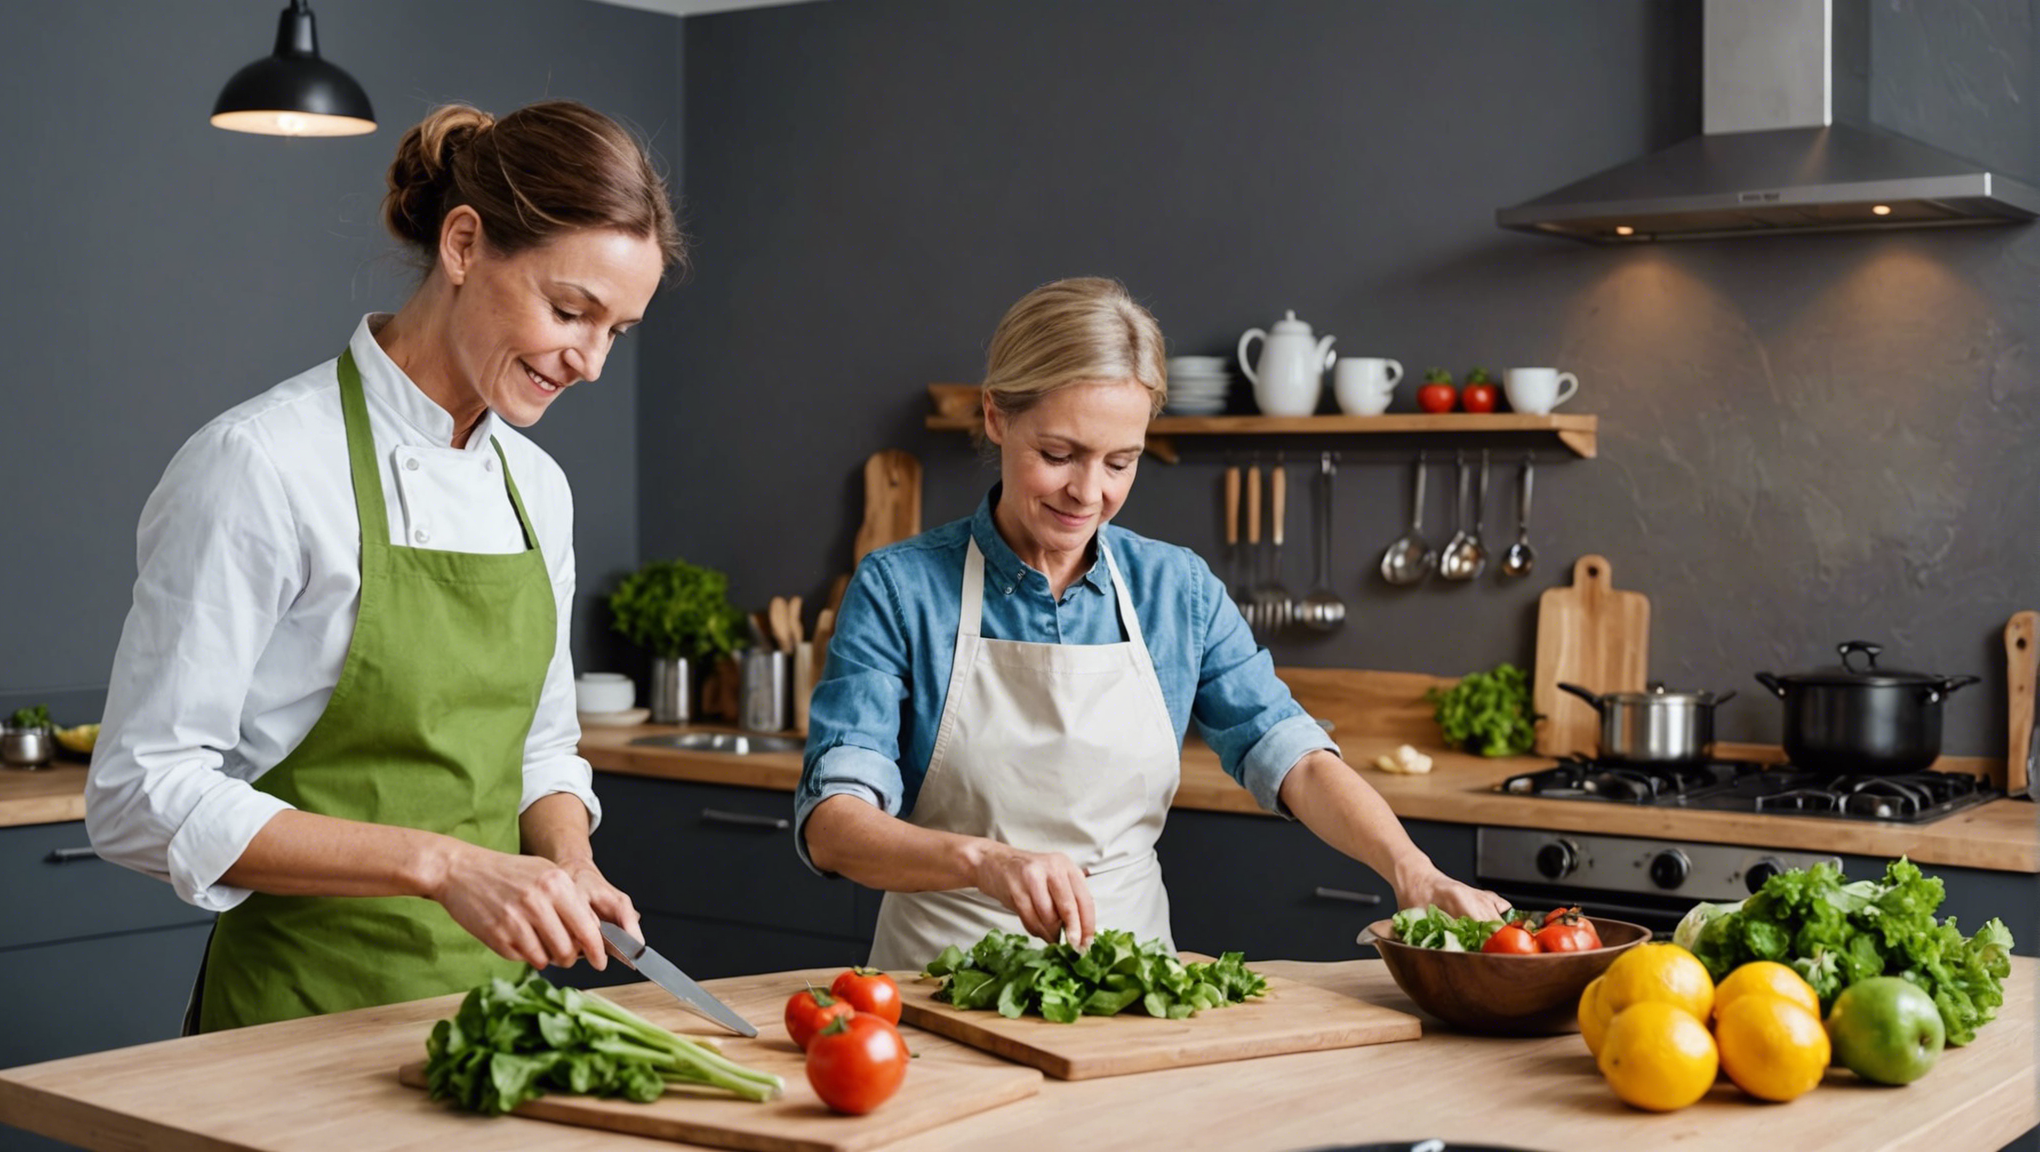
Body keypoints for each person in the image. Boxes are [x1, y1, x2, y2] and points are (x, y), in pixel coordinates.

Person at [85, 100, 682, 1031]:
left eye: (618, 330)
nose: (592, 362)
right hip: (292, 1021)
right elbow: (140, 792)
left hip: (489, 1025)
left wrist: (570, 862)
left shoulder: (538, 489)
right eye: (571, 311)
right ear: (463, 244)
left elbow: (539, 748)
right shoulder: (264, 463)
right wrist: (442, 865)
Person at [796, 278, 1509, 970]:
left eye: (1120, 462)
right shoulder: (900, 589)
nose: (1088, 493)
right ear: (996, 417)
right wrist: (982, 861)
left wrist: (1412, 869)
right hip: (937, 988)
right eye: (1058, 455)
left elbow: (1290, 753)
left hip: (1129, 989)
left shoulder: (1177, 590)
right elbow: (833, 824)